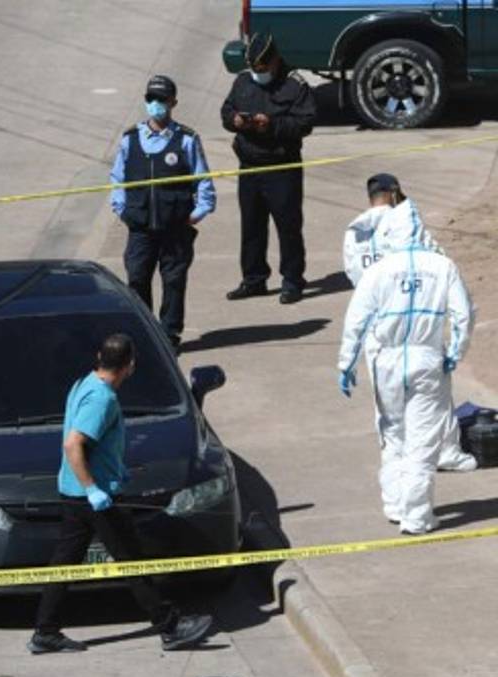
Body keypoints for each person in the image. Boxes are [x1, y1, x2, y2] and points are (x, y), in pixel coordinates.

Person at [28, 334, 213, 654]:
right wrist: (94, 489)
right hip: (95, 497)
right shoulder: (103, 399)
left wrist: (111, 470)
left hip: (73, 492)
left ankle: (45, 631)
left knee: (65, 563)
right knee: (132, 561)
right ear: (130, 366)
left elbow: (91, 445)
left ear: (99, 357)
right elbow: (73, 445)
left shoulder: (83, 383)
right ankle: (170, 626)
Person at [338, 216, 475, 534]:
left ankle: (395, 503)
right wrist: (455, 353)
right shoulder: (443, 266)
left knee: (393, 434)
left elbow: (356, 320)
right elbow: (463, 315)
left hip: (387, 360)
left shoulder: (378, 270)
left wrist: (347, 365)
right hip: (426, 358)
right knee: (423, 439)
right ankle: (416, 515)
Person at [341, 174, 476, 472]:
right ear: (393, 193)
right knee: (434, 400)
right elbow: (435, 260)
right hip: (418, 325)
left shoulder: (354, 232)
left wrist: (346, 362)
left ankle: (396, 463)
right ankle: (443, 453)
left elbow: (353, 274)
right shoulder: (404, 225)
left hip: (379, 331)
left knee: (387, 409)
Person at [110, 75, 216, 350]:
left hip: (175, 228)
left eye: (161, 99)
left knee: (174, 282)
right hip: (140, 228)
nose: (155, 104)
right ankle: (144, 333)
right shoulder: (130, 139)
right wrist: (122, 210)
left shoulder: (186, 139)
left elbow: (203, 180)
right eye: (151, 98)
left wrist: (197, 213)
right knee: (137, 279)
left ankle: (169, 335)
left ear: (173, 102)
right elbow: (117, 179)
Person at [220, 32, 316, 304]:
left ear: (274, 61)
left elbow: (305, 123)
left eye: (262, 68)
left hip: (281, 168)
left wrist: (271, 125)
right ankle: (254, 279)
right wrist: (234, 121)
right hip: (249, 167)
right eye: (254, 68)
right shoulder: (243, 81)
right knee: (251, 227)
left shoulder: (294, 85)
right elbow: (226, 110)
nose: (258, 73)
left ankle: (292, 280)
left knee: (288, 227)